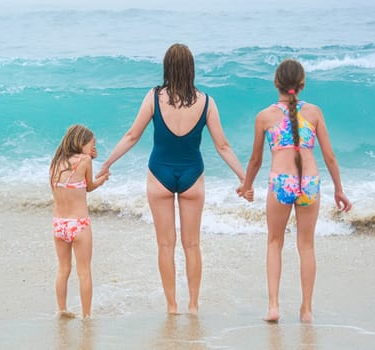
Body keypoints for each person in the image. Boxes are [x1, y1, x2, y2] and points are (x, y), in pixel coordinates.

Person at [96, 43, 245, 315]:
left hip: (159, 176)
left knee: (166, 245)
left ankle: (172, 307)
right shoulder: (207, 102)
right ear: (191, 70)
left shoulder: (153, 97)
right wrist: (244, 178)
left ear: (167, 67)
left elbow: (132, 135)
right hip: (193, 176)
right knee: (192, 245)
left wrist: (106, 163)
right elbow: (223, 146)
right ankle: (193, 305)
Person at [237, 59, 352, 323]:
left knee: (274, 242)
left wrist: (247, 185)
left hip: (281, 182)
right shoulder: (314, 113)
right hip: (309, 183)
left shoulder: (264, 117)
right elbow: (330, 156)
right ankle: (307, 310)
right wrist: (339, 190)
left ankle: (274, 307)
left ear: (276, 83)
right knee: (307, 246)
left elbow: (255, 160)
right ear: (302, 85)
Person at [49, 124, 109, 319]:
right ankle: (86, 316)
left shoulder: (55, 163)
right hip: (79, 225)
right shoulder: (84, 160)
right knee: (84, 272)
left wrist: (91, 155)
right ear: (80, 142)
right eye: (92, 144)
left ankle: (61, 309)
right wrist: (102, 177)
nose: (93, 148)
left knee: (63, 269)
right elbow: (89, 186)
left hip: (59, 225)